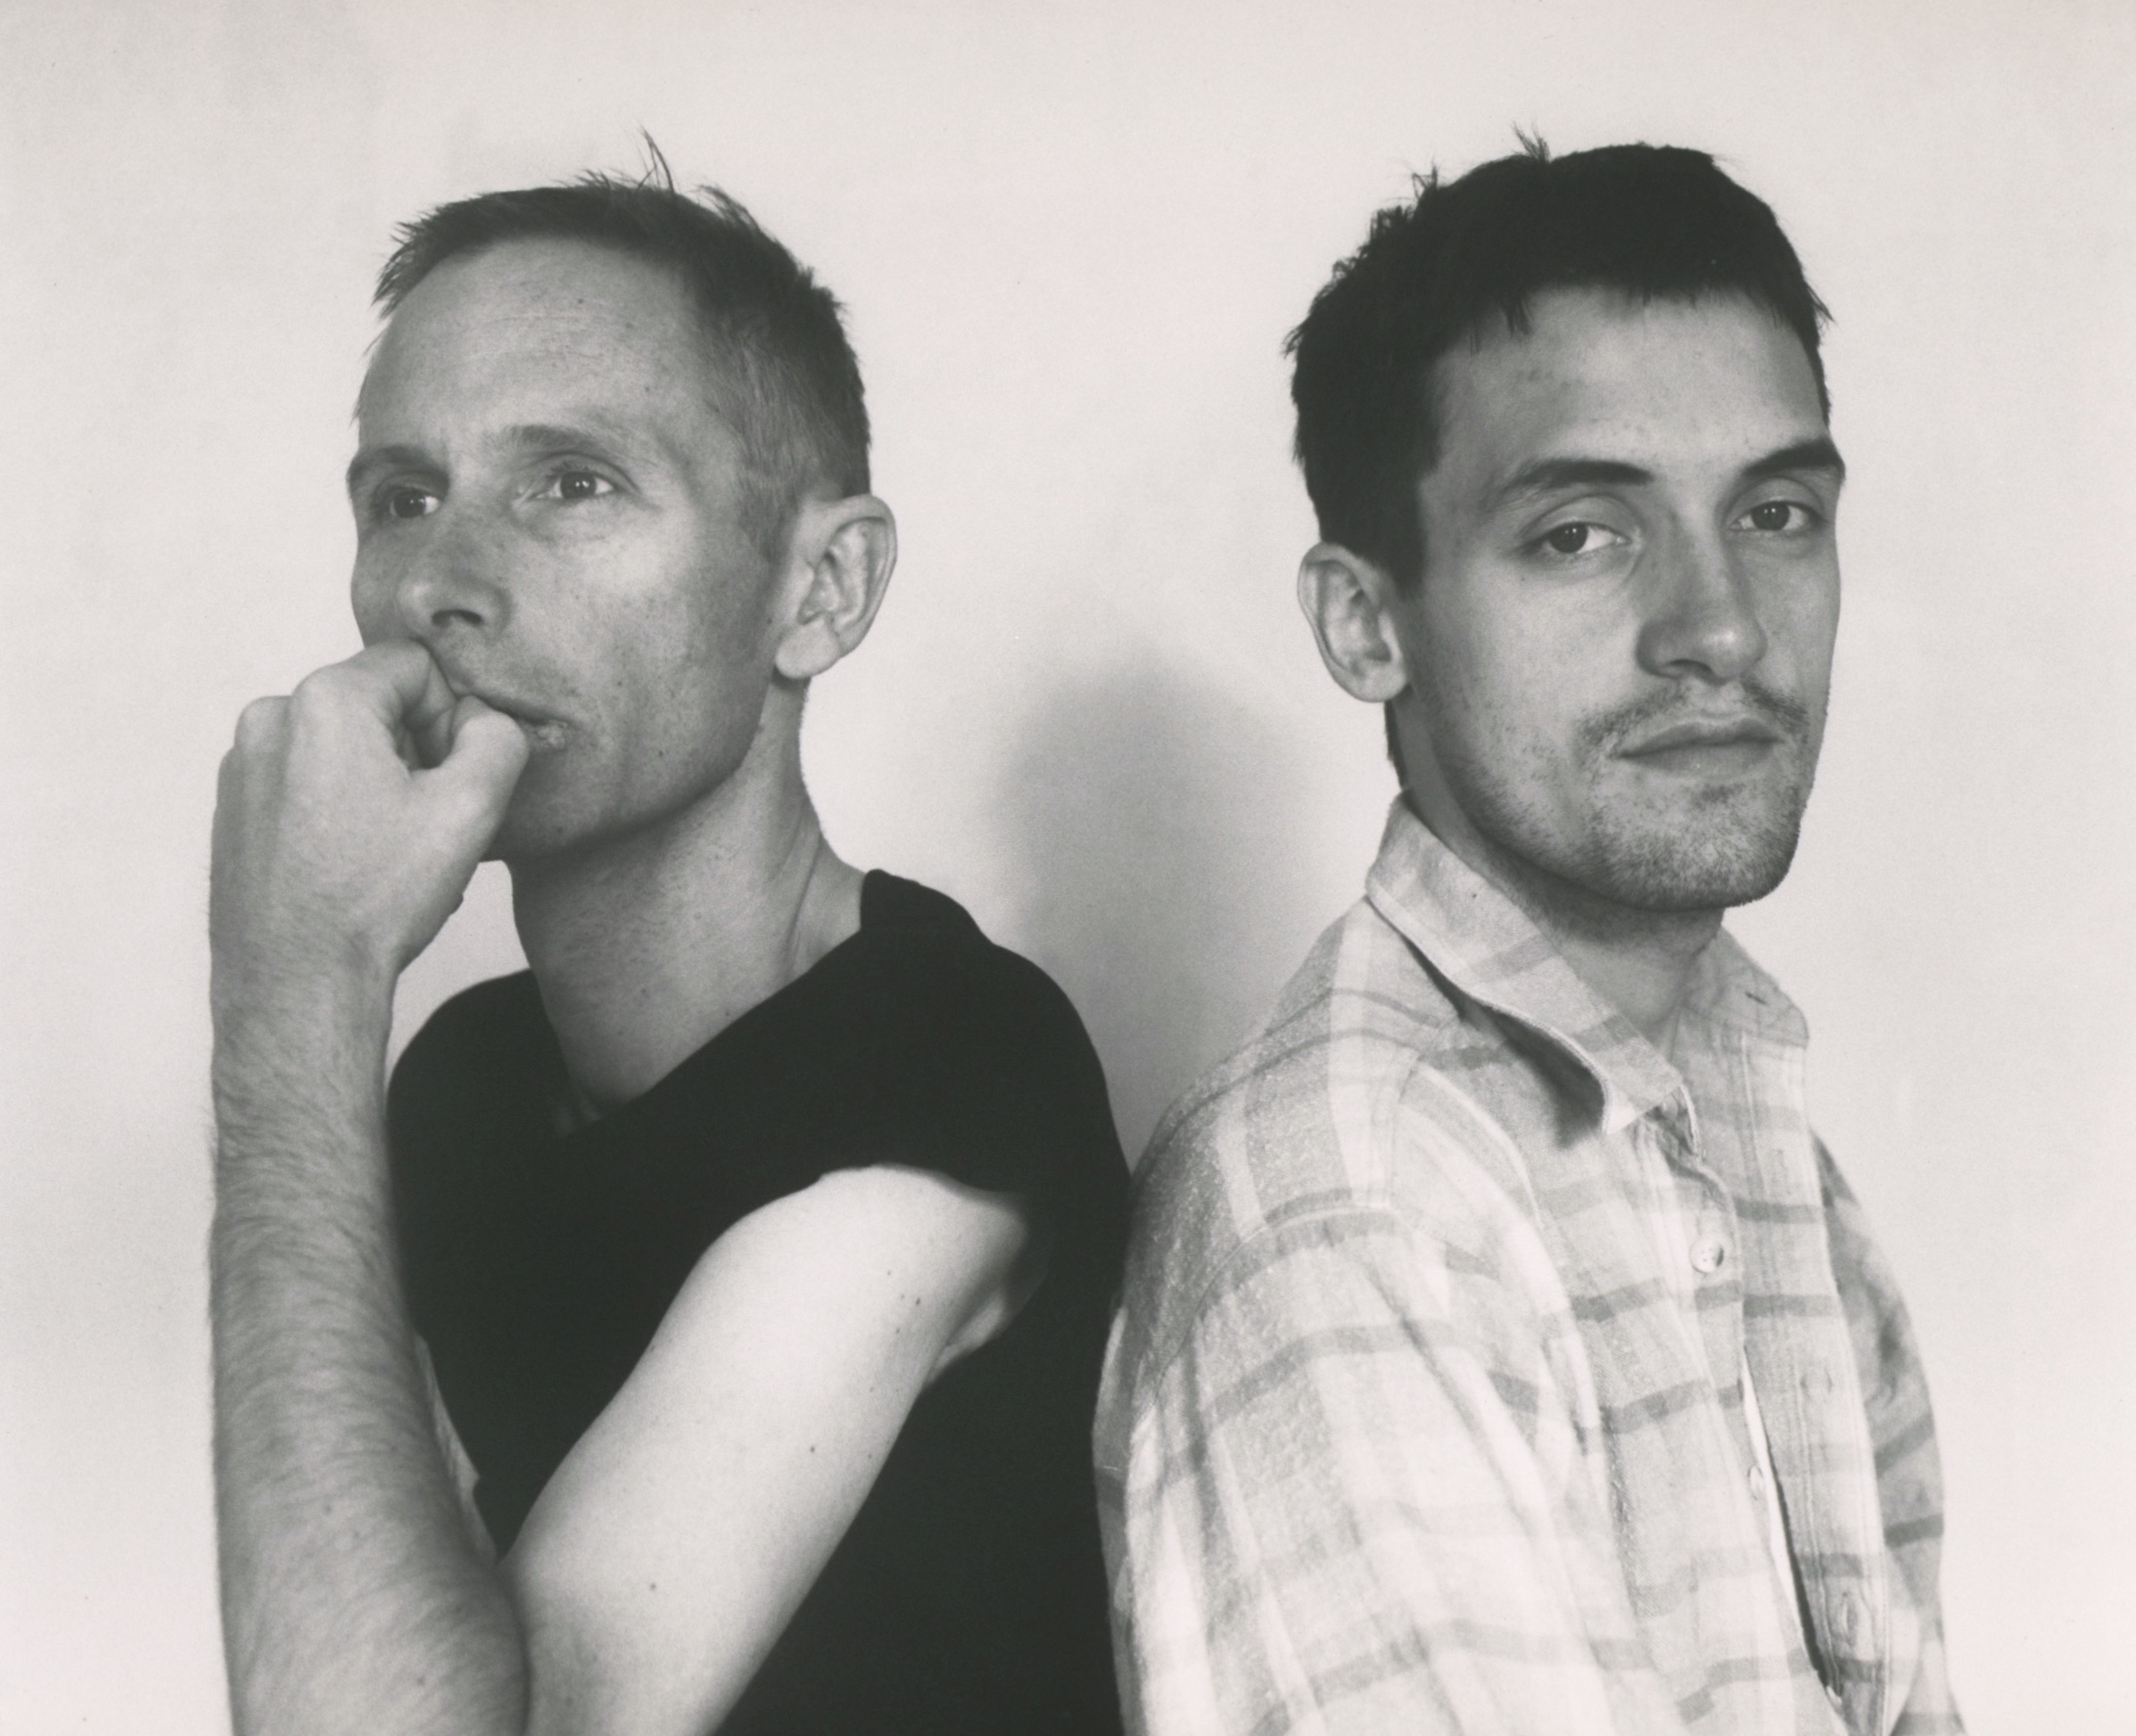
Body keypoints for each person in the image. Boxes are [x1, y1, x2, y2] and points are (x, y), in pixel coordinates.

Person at [208, 165, 1128, 1736]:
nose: (437, 587)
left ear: (821, 590)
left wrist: (291, 995)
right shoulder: (468, 1087)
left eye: (572, 483)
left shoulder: (949, 1056)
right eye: (403, 498)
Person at [1095, 143, 1961, 1735]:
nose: (1721, 626)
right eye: (1581, 532)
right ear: (1367, 624)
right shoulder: (1350, 1200)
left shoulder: (1757, 1134)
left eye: (1776, 512)